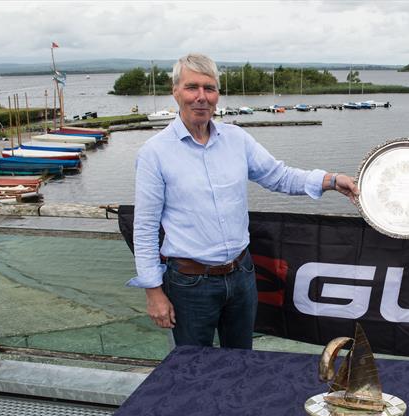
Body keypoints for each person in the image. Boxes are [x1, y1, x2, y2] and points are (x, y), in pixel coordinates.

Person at [129, 53, 358, 349]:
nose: (201, 97)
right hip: (189, 284)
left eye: (209, 88)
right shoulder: (154, 153)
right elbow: (145, 227)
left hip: (242, 276)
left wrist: (330, 180)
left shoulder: (237, 139)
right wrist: (154, 292)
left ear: (218, 95)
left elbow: (278, 176)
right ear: (175, 91)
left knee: (241, 363)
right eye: (192, 87)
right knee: (191, 368)